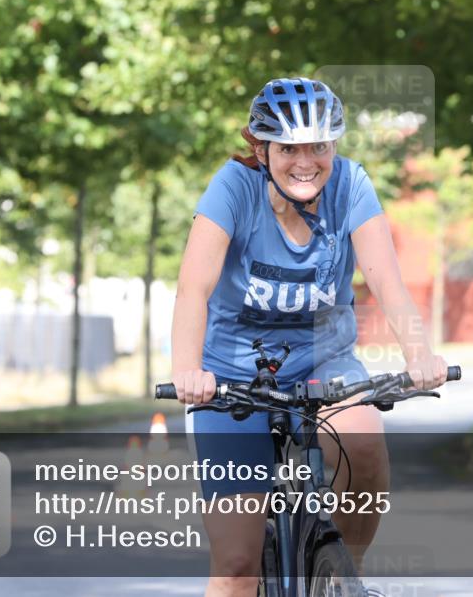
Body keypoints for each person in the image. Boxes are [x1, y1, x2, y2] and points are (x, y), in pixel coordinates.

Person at [171, 77, 448, 597]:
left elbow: (386, 280)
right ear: (262, 148)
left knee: (363, 439)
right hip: (233, 376)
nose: (306, 161)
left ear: (334, 145)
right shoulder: (233, 187)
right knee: (235, 565)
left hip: (325, 361)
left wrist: (419, 354)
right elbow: (193, 288)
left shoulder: (351, 185)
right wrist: (189, 370)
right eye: (289, 148)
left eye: (318, 146)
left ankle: (344, 575)